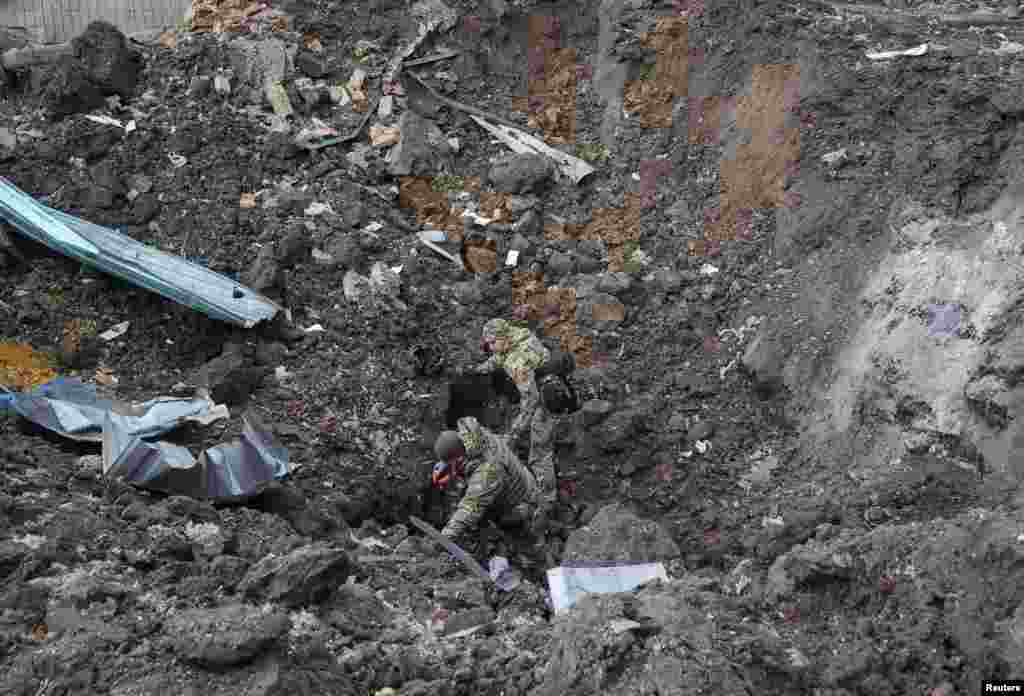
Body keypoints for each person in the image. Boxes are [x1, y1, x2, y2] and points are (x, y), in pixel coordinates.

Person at [431, 417, 548, 555]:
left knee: (522, 547)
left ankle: (529, 553)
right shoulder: (475, 435)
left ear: (459, 458)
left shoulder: (488, 470)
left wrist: (444, 538)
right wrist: (449, 467)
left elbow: (470, 507)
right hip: (518, 479)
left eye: (449, 462)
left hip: (524, 503)